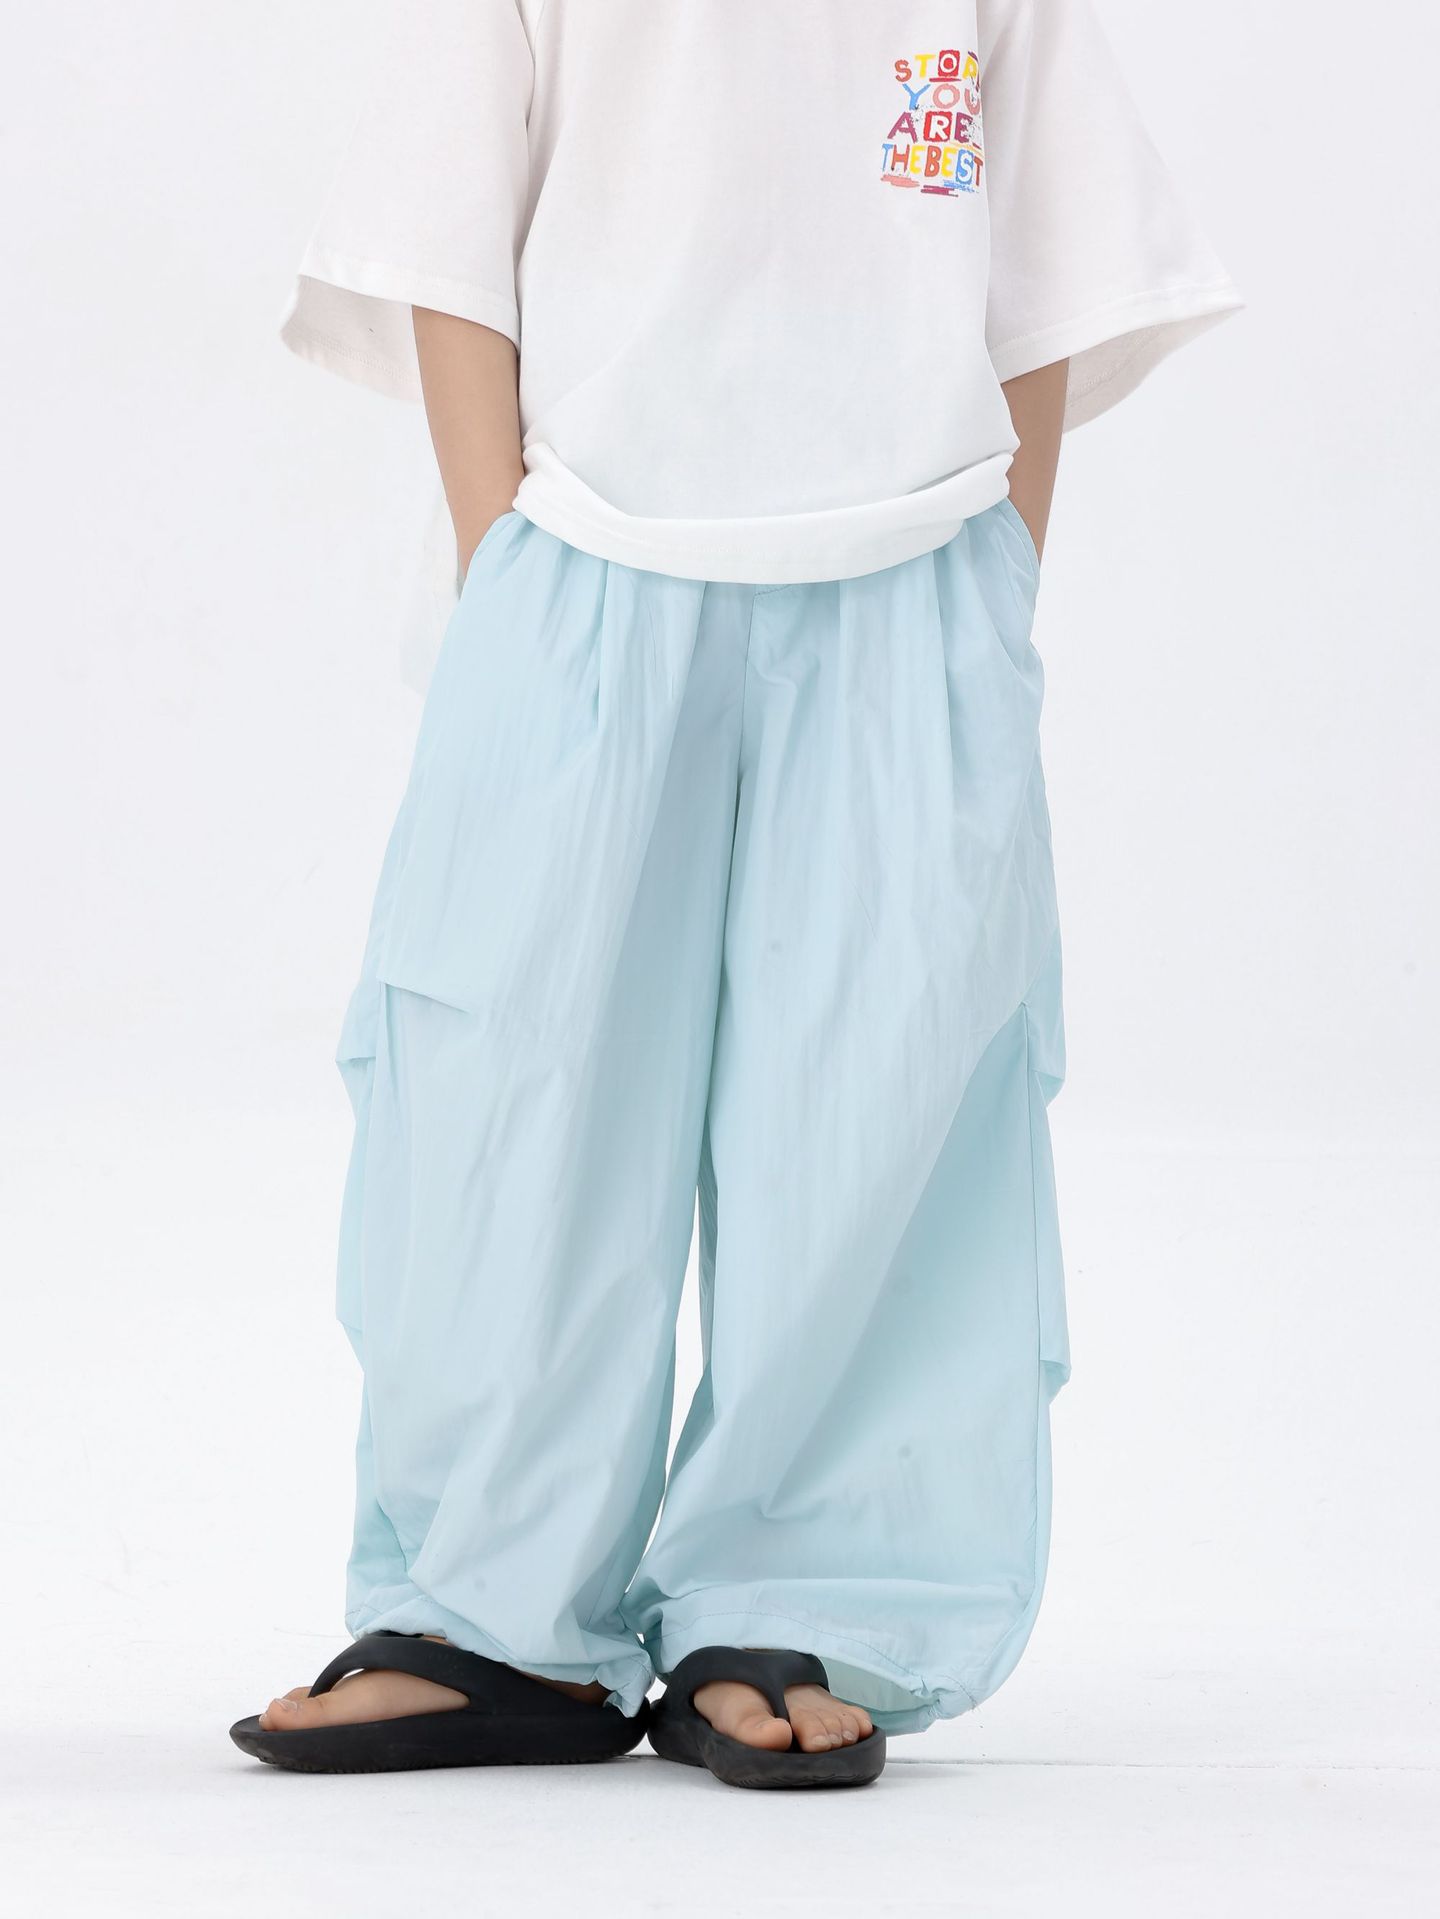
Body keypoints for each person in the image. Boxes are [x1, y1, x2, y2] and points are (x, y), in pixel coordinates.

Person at [231, 0, 1240, 1789]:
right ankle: (490, 1615)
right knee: (518, 1091)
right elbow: (447, 231)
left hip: (913, 571)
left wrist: (991, 587)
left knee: (877, 1107)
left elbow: (1044, 265)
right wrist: (504, 559)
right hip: (584, 559)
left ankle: (797, 1591)